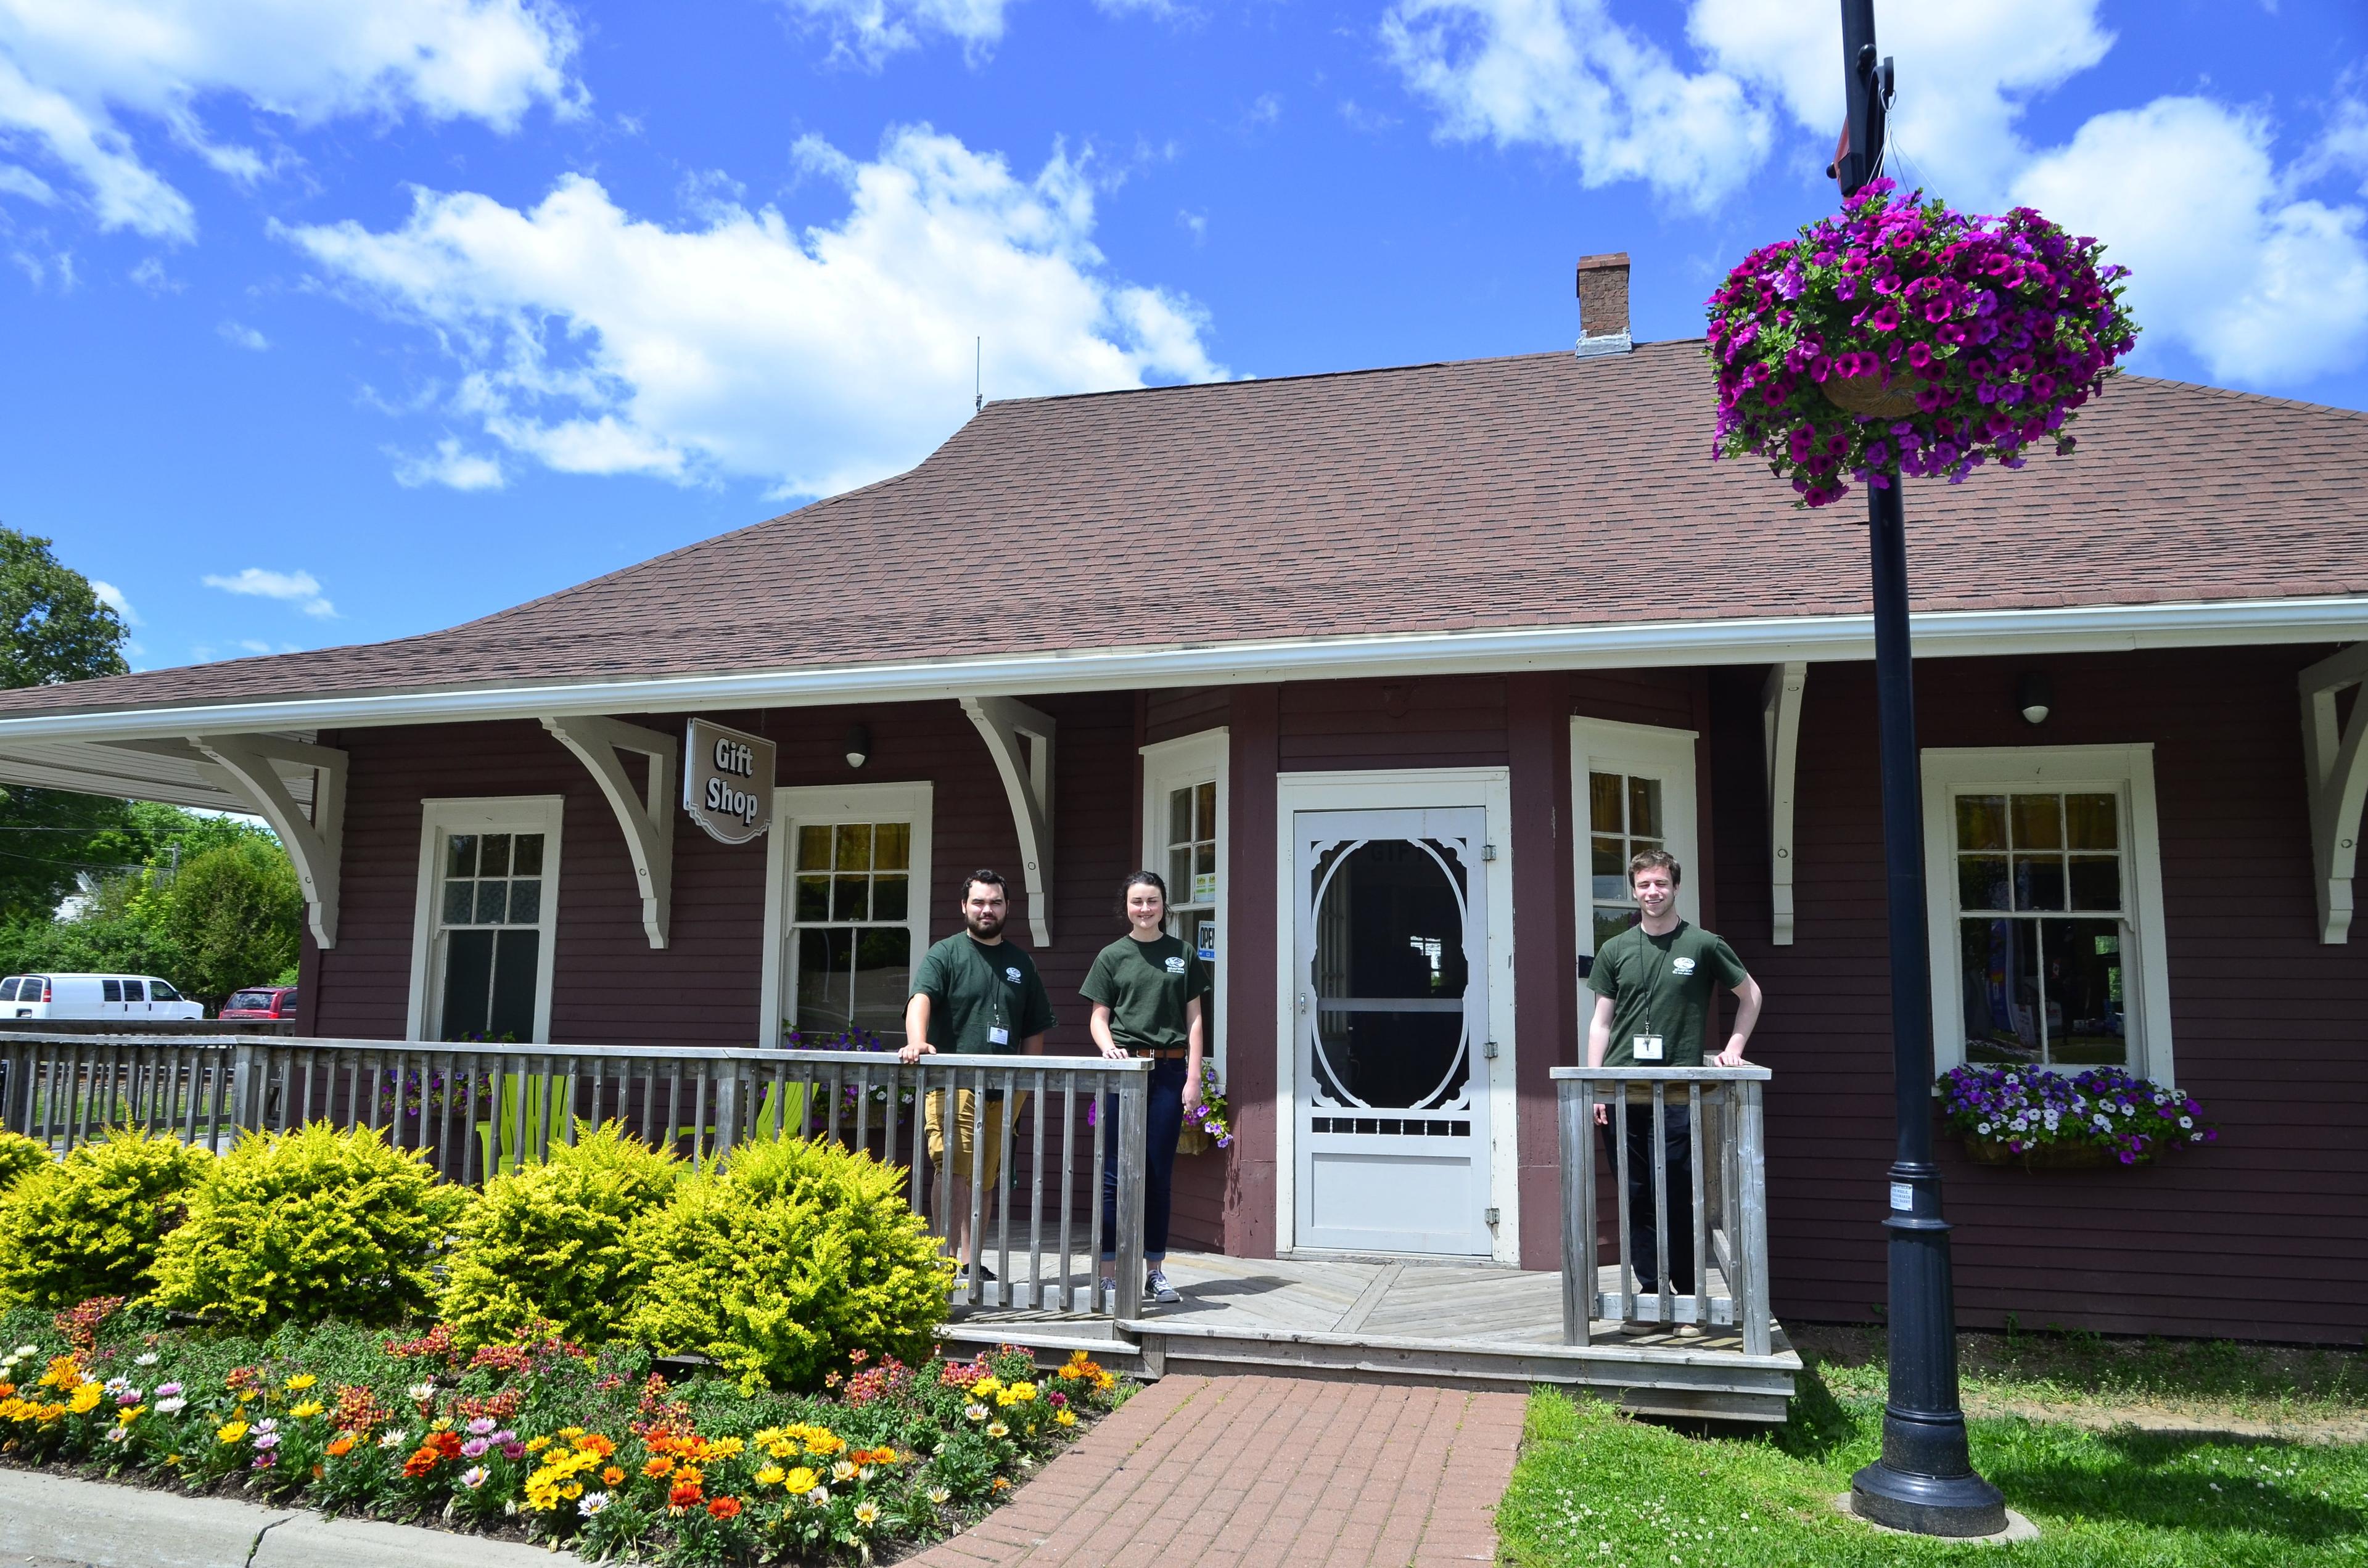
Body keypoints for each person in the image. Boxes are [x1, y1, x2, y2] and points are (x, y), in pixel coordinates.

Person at [1585, 848, 1763, 1332]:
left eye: (1661, 883)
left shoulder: (1703, 943)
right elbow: (1601, 1023)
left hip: (1679, 1092)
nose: (1653, 892)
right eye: (1644, 885)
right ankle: (1650, 1296)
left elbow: (1751, 995)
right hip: (1624, 1091)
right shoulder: (1615, 948)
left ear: (1675, 887)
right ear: (1634, 889)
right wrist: (1596, 1085)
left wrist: (1733, 1047)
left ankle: (1689, 1299)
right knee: (1637, 1193)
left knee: (1680, 1192)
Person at [900, 869, 1054, 1278]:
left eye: (996, 902)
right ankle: (943, 1260)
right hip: (952, 1082)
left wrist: (1027, 1076)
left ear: (1007, 907)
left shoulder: (1022, 963)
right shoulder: (945, 953)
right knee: (952, 1166)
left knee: (985, 1176)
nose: (988, 909)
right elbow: (921, 999)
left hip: (1003, 1088)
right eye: (980, 902)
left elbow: (1035, 1026)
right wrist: (917, 1040)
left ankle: (970, 1260)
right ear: (965, 906)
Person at [1082, 871, 1209, 1306]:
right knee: (1114, 1174)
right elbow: (1099, 1016)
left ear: (1164, 905)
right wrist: (1109, 1048)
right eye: (1137, 901)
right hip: (1125, 1073)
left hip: (1170, 1073)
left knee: (1158, 1174)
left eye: (1152, 901)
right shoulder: (1112, 955)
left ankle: (1154, 1270)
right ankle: (1109, 1273)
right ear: (1127, 906)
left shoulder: (1182, 953)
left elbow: (1194, 1018)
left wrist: (1193, 1077)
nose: (1145, 909)